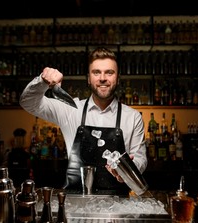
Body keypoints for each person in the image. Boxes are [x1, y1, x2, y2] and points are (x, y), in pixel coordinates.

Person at [19, 47, 147, 195]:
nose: (102, 78)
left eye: (109, 72)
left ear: (117, 78)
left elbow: (140, 158)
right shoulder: (70, 110)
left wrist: (128, 171)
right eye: (96, 72)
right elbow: (27, 102)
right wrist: (42, 80)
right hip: (76, 203)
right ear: (88, 78)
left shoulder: (132, 117)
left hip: (117, 205)